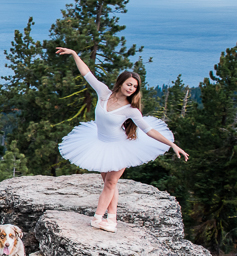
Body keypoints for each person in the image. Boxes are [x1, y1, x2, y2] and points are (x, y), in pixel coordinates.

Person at [56, 47, 188, 232]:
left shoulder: (131, 110)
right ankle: (112, 219)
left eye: (134, 87)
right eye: (129, 84)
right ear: (120, 83)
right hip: (99, 143)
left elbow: (148, 130)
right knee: (109, 183)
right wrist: (74, 54)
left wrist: (172, 144)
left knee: (110, 182)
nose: (131, 89)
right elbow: (87, 73)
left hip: (120, 146)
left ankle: (97, 219)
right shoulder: (104, 93)